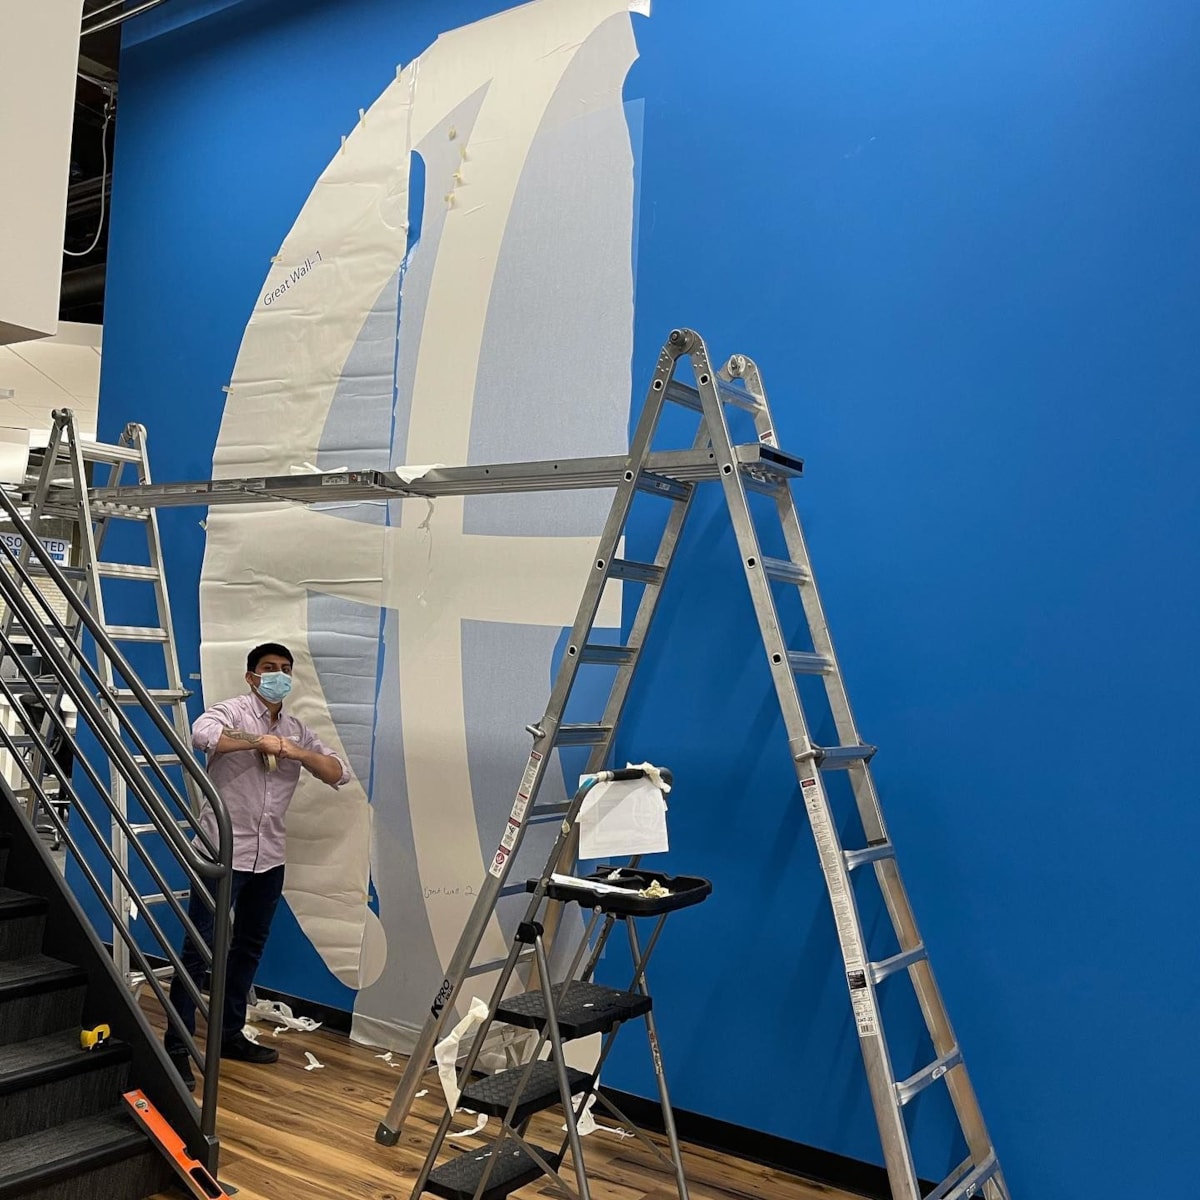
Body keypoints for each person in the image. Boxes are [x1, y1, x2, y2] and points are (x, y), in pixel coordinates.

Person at [164, 641, 349, 1090]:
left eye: (285, 668)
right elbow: (203, 736)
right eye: (269, 668)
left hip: (269, 859)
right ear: (252, 676)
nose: (278, 675)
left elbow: (336, 772)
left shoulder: (297, 730)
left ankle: (228, 1033)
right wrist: (254, 741)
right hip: (221, 853)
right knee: (199, 950)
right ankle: (176, 1046)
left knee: (248, 948)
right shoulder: (231, 711)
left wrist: (295, 752)